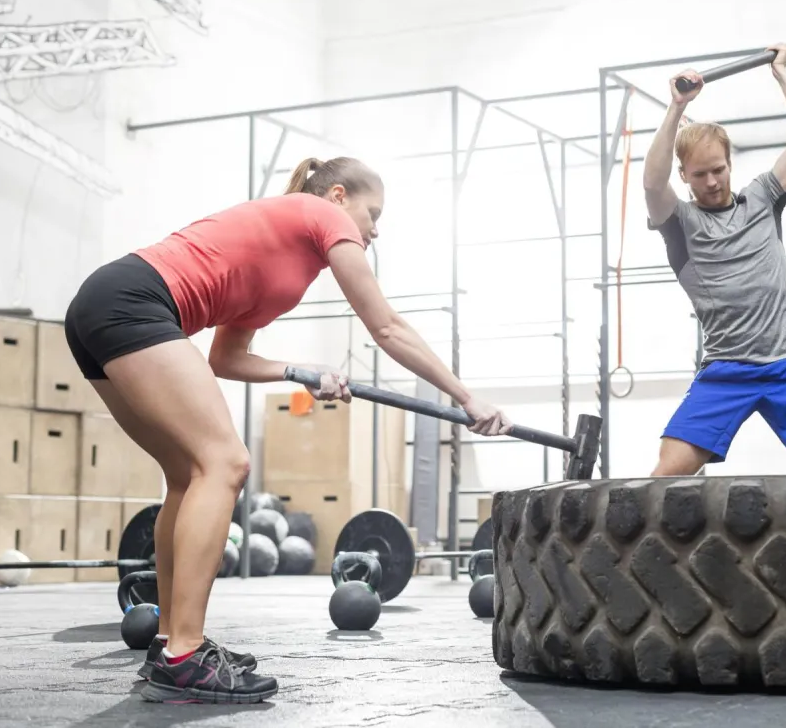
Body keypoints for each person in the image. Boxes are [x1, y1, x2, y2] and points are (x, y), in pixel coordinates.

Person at [64, 156, 512, 704]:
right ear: (340, 196)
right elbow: (387, 328)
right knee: (225, 463)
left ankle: (170, 647)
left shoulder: (288, 273)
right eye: (373, 213)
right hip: (134, 302)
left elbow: (225, 359)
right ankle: (186, 652)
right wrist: (466, 398)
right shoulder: (320, 216)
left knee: (187, 474)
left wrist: (305, 375)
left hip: (101, 306)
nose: (375, 229)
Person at [642, 44, 786, 478]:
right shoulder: (680, 223)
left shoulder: (762, 199)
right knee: (664, 478)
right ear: (684, 175)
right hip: (726, 369)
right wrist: (676, 108)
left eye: (718, 169)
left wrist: (781, 72)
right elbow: (651, 182)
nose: (712, 181)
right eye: (700, 174)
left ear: (729, 163)